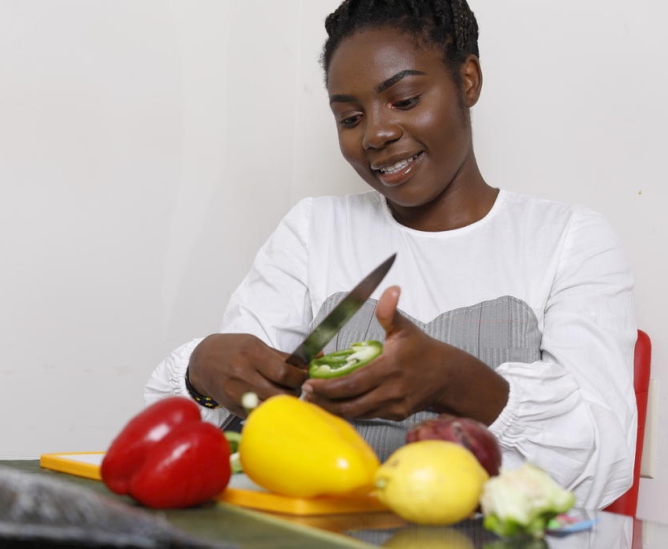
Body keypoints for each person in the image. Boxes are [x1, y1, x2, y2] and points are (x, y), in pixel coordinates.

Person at [144, 0, 637, 509]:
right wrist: (202, 371)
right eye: (350, 117)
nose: (375, 133)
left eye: (403, 100)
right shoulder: (314, 230)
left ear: (468, 81)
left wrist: (458, 382)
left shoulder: (569, 240)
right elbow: (234, 433)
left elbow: (604, 470)